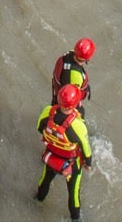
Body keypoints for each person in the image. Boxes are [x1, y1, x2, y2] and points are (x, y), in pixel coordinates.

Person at [35, 83, 94, 220]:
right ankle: (75, 218)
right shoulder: (78, 126)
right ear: (75, 104)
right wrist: (88, 163)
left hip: (51, 157)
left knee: (45, 180)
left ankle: (37, 200)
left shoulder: (48, 112)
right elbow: (86, 148)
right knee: (73, 193)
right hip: (71, 165)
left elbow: (39, 128)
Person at [50, 38, 95, 106]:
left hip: (58, 96)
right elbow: (72, 97)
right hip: (65, 104)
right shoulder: (76, 77)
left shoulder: (68, 55)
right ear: (88, 58)